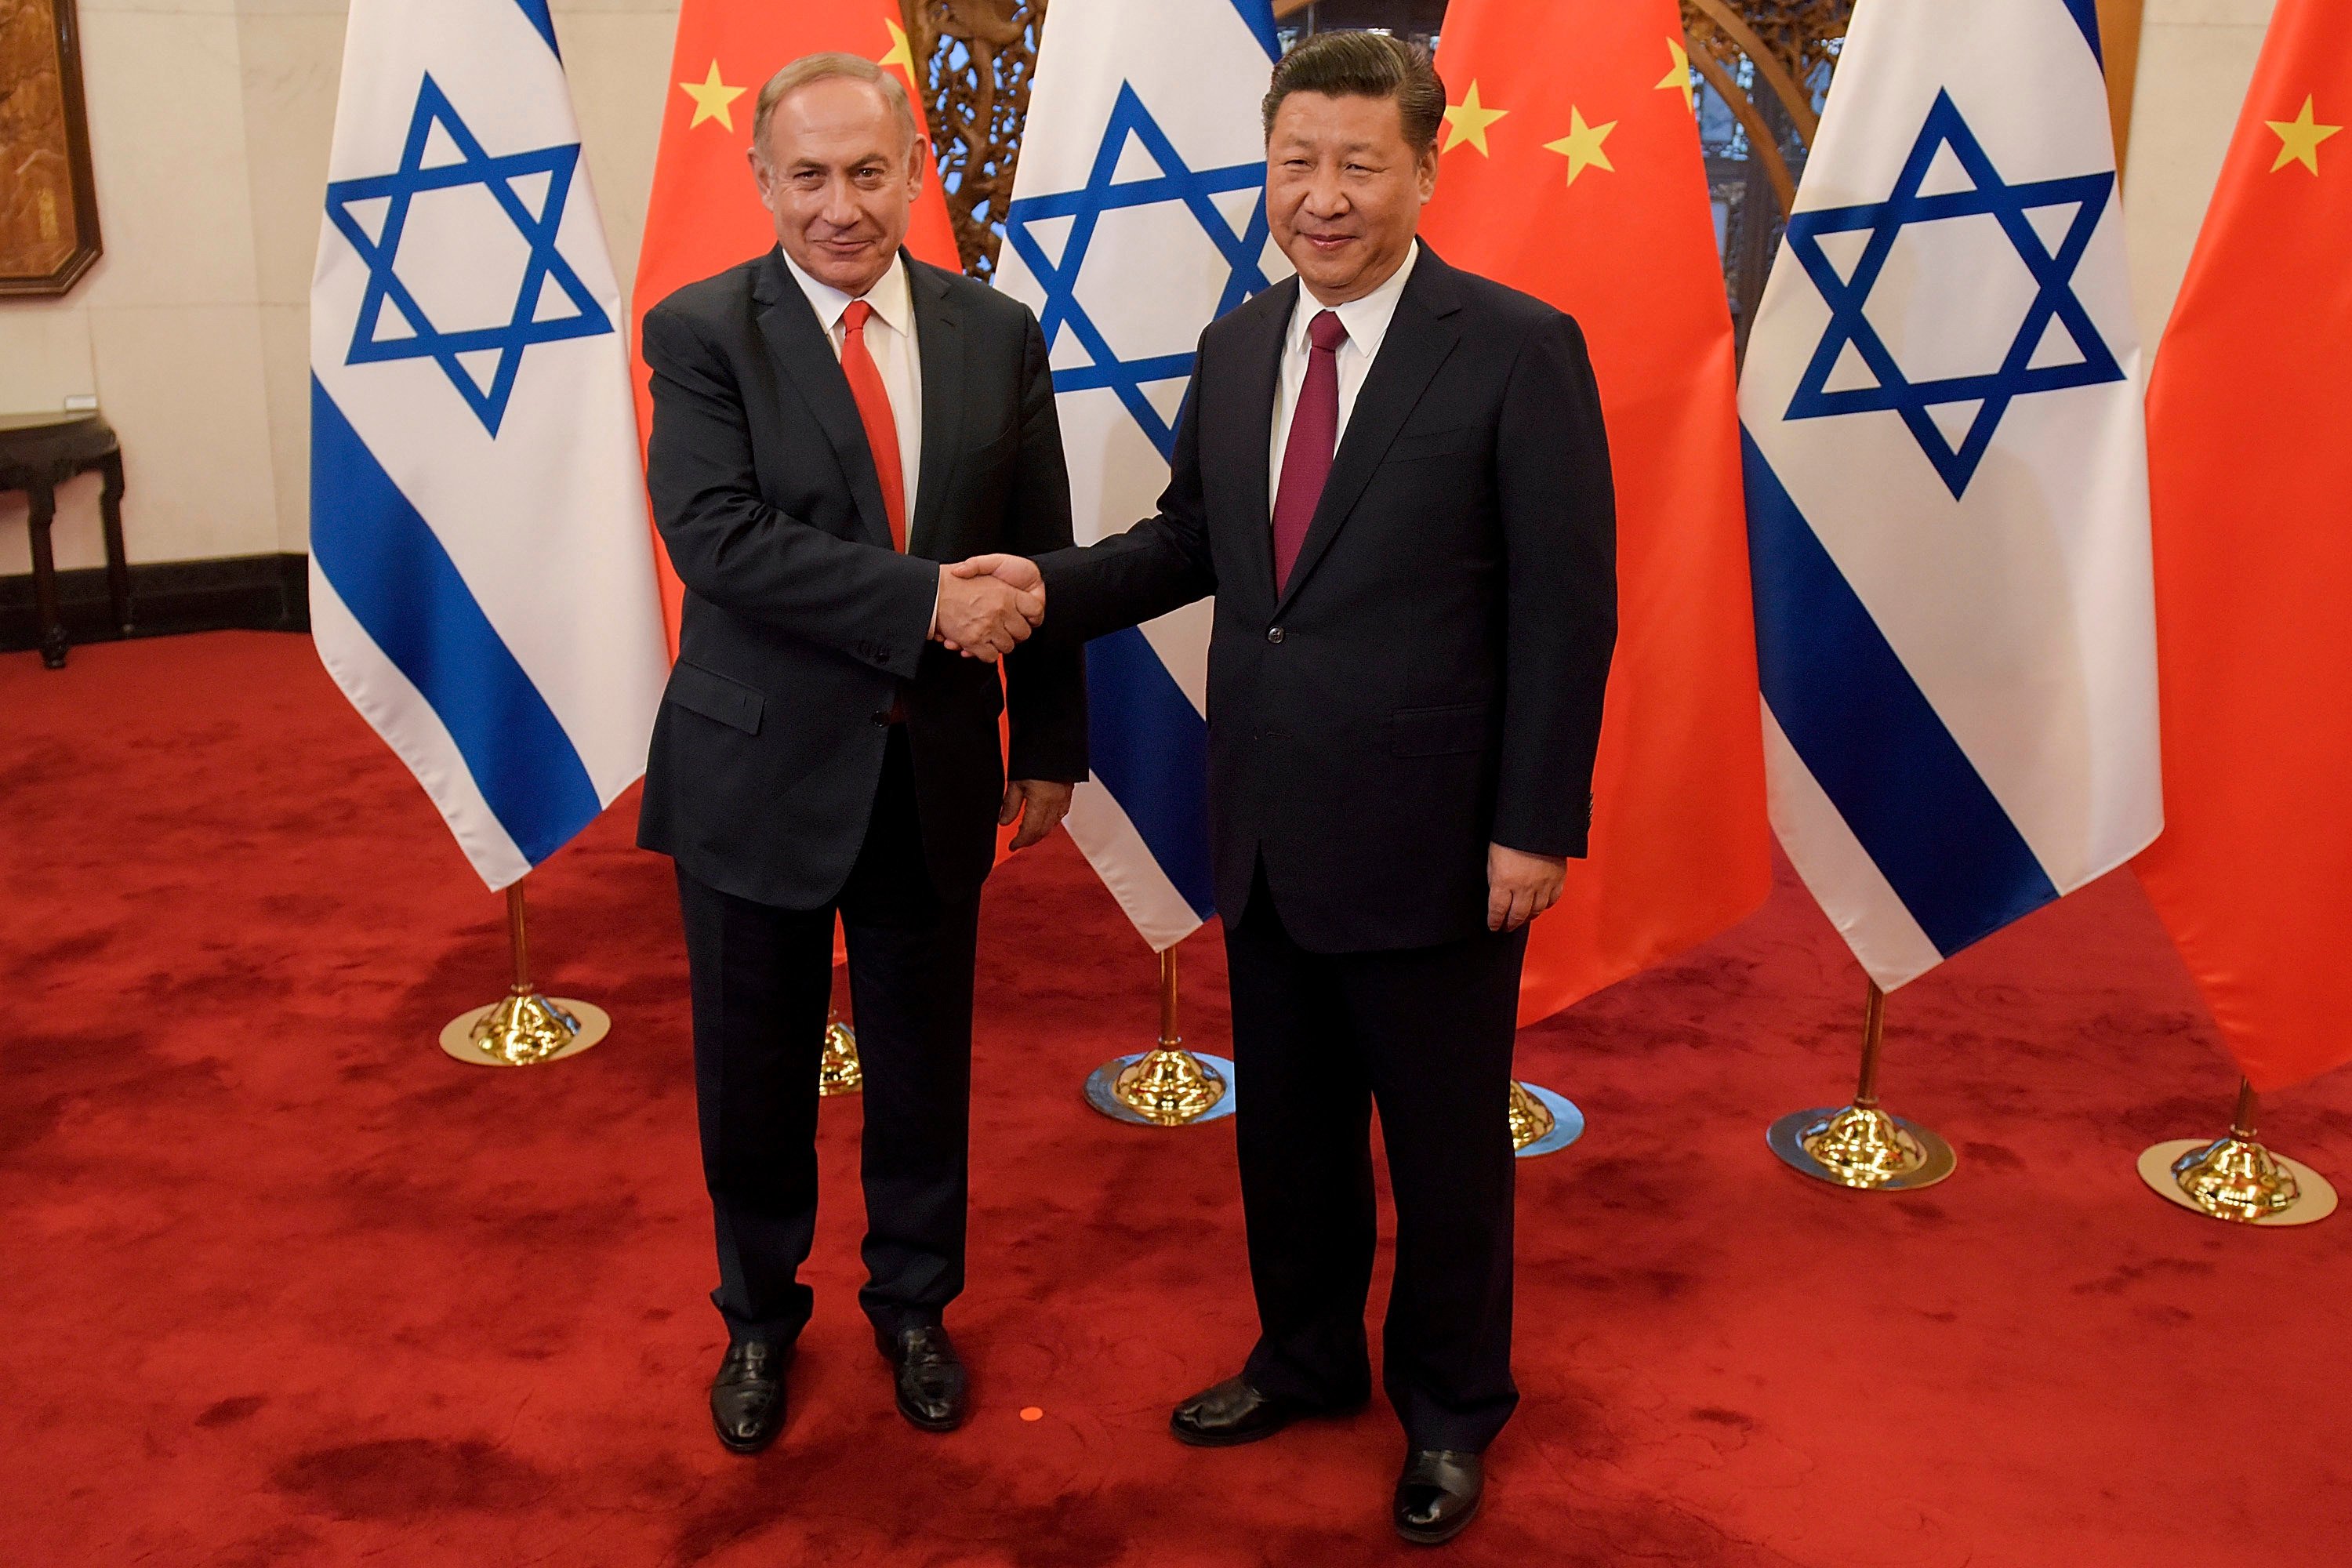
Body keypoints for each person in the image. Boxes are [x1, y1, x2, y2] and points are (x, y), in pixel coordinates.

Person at [952, 32, 1614, 1544]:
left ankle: (1451, 1411)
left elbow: (1569, 613)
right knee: (1290, 1132)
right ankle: (1306, 1359)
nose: (1321, 198)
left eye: (1357, 165)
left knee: (1446, 1153)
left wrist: (1535, 821)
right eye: (1295, 163)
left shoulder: (1517, 346)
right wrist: (1040, 588)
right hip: (1260, 818)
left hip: (1444, 839)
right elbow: (1193, 541)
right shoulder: (1244, 341)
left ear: (1426, 171)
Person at [637, 52, 1083, 1455]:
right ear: (762, 180)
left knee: (922, 1066)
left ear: (912, 173)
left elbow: (1041, 549)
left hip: (932, 769)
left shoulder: (995, 333)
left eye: (870, 172)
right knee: (753, 1072)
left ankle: (915, 1308)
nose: (843, 205)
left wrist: (1051, 740)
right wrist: (925, 602)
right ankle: (760, 1322)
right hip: (755, 770)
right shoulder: (702, 331)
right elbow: (715, 536)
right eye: (811, 176)